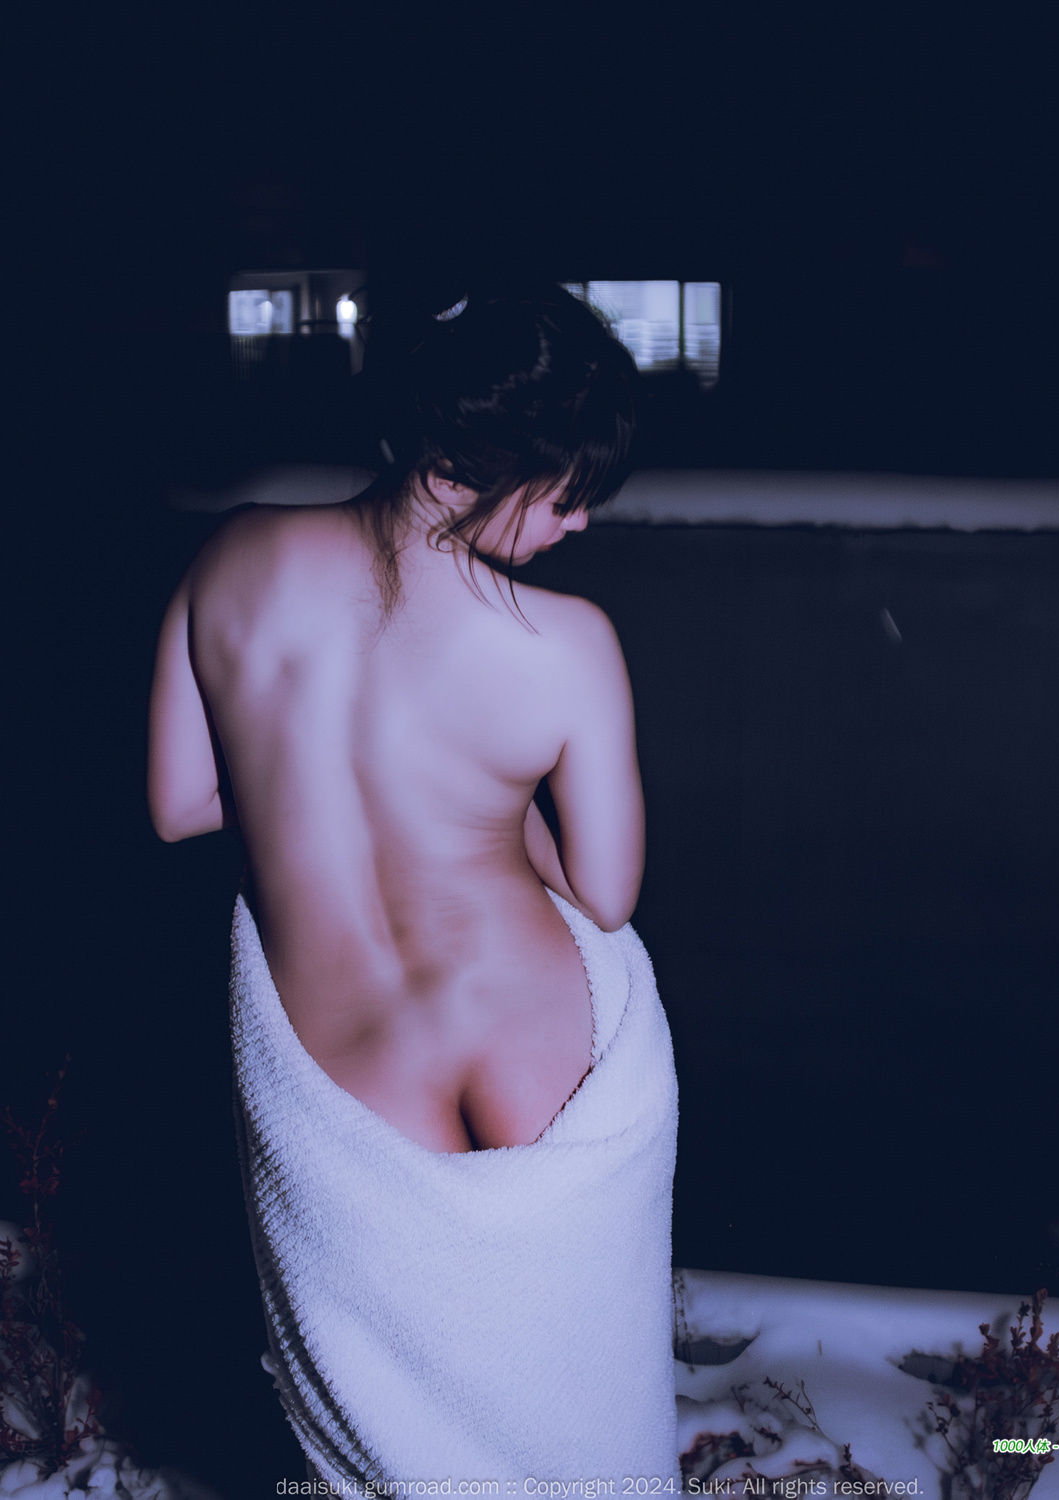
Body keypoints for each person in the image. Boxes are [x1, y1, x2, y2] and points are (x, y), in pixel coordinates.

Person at [147, 284, 680, 1483]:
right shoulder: (568, 644)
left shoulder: (229, 557)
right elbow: (606, 895)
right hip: (539, 1028)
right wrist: (499, 802)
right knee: (576, 1396)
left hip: (345, 1064)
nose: (577, 525)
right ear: (477, 459)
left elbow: (180, 806)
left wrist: (308, 785)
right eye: (567, 492)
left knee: (403, 1425)